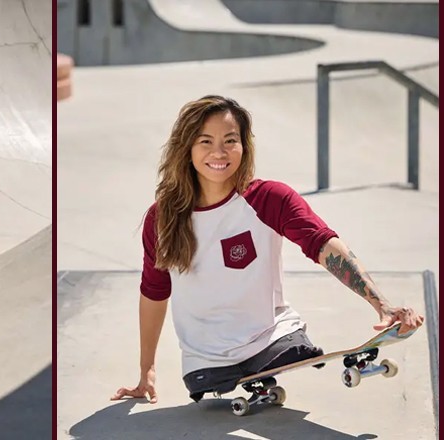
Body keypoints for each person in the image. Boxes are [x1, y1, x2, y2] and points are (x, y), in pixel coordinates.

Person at [110, 95, 425, 404]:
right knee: (210, 375)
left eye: (230, 140)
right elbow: (154, 290)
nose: (219, 152)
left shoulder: (269, 199)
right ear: (187, 148)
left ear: (244, 145)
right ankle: (239, 375)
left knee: (289, 347)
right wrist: (146, 371)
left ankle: (267, 366)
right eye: (205, 141)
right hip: (205, 359)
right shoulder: (163, 218)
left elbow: (323, 244)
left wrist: (381, 304)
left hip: (271, 337)